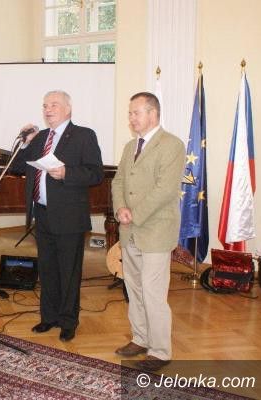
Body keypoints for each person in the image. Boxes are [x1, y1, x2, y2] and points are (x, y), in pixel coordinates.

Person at [12, 90, 103, 342]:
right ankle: (49, 317)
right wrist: (25, 143)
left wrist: (66, 173)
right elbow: (18, 166)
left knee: (68, 271)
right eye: (45, 106)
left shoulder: (84, 135)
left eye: (53, 104)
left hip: (69, 216)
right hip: (42, 213)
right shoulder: (41, 137)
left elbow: (96, 173)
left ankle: (68, 321)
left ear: (67, 109)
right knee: (48, 269)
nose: (48, 109)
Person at [111, 92, 185, 371]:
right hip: (129, 229)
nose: (131, 118)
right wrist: (120, 209)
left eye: (136, 113)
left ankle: (160, 350)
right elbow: (118, 182)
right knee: (134, 289)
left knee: (153, 293)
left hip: (155, 230)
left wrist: (135, 214)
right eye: (130, 113)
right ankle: (140, 338)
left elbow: (165, 190)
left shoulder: (172, 145)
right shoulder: (130, 146)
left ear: (153, 114)